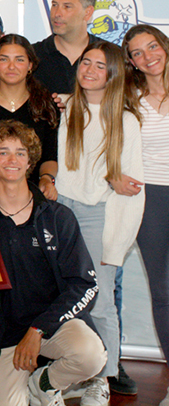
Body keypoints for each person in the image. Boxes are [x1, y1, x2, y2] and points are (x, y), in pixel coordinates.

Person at [0, 120, 106, 406]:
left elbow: (85, 284)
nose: (12, 160)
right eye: (3, 152)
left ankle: (44, 384)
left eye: (20, 153)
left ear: (30, 161)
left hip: (51, 325)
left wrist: (38, 329)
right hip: (3, 334)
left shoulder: (58, 217)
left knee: (91, 354)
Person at [56, 40, 144, 404]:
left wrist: (117, 245)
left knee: (101, 299)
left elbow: (131, 187)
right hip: (63, 209)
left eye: (99, 65)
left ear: (113, 74)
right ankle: (72, 370)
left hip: (98, 216)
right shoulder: (71, 108)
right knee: (64, 294)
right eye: (85, 63)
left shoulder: (125, 120)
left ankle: (103, 379)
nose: (89, 70)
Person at [122, 24, 169, 406]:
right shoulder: (130, 98)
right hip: (150, 198)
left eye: (152, 46)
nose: (147, 56)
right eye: (137, 52)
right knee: (164, 292)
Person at [0, 34, 59, 200]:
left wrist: (47, 179)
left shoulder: (46, 105)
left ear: (30, 65)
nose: (11, 66)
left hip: (32, 197)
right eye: (4, 59)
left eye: (19, 60)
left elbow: (50, 156)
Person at [33, 0, 105, 94]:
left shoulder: (110, 56)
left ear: (88, 13)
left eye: (67, 7)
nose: (57, 14)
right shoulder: (32, 55)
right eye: (55, 5)